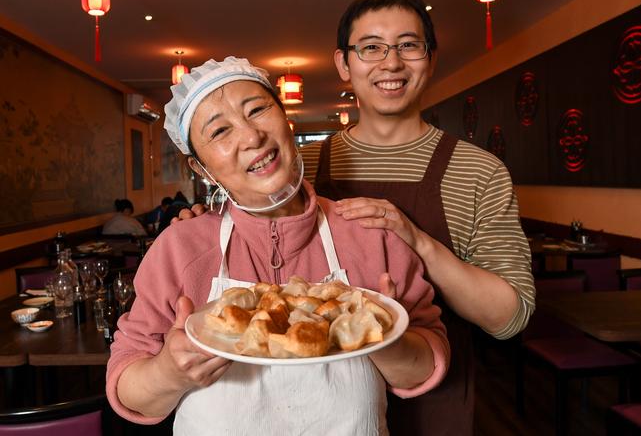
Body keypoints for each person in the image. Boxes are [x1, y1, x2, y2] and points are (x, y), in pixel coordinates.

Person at [175, 0, 535, 435]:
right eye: (371, 48)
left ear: (431, 57)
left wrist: (417, 240)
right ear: (343, 64)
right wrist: (206, 225)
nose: (391, 62)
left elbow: (510, 317)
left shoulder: (478, 172)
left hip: (434, 390)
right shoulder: (298, 166)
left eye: (409, 45)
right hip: (324, 402)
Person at [106, 57, 450, 435]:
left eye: (257, 110)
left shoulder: (369, 234)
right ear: (201, 168)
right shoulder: (179, 248)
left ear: (286, 119)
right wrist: (168, 372)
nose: (251, 137)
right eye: (219, 131)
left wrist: (386, 337)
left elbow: (425, 362)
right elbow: (127, 383)